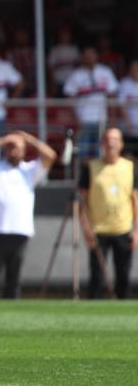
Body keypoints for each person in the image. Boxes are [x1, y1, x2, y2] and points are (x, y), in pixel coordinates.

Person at [0, 131, 56, 300]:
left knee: (14, 279)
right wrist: (1, 141)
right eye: (10, 148)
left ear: (24, 150)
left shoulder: (30, 170)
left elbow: (51, 156)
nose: (13, 151)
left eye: (17, 148)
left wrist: (29, 139)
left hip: (20, 230)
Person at [77, 127, 135, 300]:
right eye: (108, 139)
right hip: (98, 229)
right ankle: (93, 316)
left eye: (115, 139)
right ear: (102, 143)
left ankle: (125, 316)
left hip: (122, 228)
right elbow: (82, 201)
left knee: (123, 275)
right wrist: (86, 228)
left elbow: (135, 200)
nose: (111, 143)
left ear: (121, 144)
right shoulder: (91, 167)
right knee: (97, 277)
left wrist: (136, 230)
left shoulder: (130, 167)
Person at [62, 46, 119, 163]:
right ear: (83, 58)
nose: (89, 59)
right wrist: (75, 117)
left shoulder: (105, 72)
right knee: (83, 152)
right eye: (86, 56)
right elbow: (69, 96)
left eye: (91, 56)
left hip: (102, 119)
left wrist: (113, 116)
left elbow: (113, 95)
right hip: (84, 120)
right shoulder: (76, 75)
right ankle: (85, 178)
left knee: (102, 152)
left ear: (96, 57)